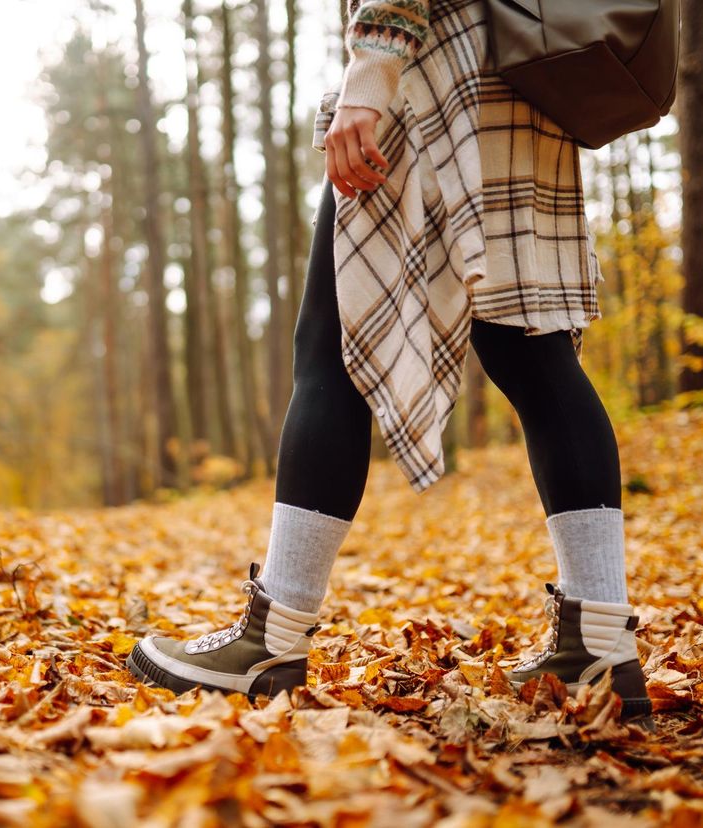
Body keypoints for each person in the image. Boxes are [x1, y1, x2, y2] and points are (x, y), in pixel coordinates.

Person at [126, 0, 653, 725]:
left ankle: (271, 642)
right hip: (517, 88)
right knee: (533, 353)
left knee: (331, 347)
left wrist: (368, 78)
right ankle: (598, 646)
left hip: (432, 83)